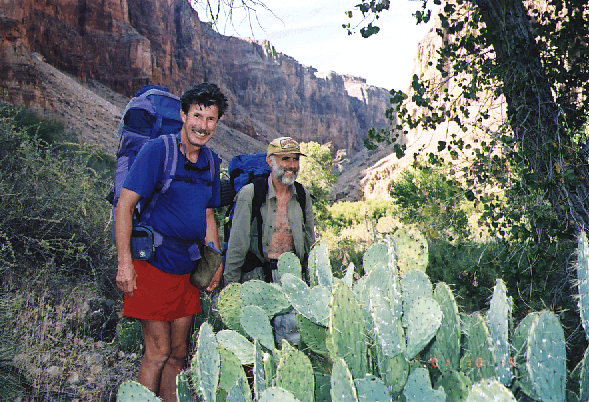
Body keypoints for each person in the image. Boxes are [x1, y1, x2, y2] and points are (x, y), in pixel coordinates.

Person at [115, 82, 227, 401]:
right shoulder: (158, 151)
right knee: (158, 352)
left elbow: (208, 216)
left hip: (188, 268)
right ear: (183, 115)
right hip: (151, 265)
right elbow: (125, 205)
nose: (202, 125)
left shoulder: (211, 162)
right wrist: (125, 263)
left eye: (210, 119)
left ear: (217, 124)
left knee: (178, 353)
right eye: (196, 115)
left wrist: (214, 262)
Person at [224, 136, 315, 344]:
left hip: (293, 278)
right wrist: (232, 290)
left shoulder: (302, 195)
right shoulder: (251, 194)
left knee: (290, 342)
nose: (291, 165)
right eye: (285, 159)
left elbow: (310, 240)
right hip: (258, 278)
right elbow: (237, 244)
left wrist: (312, 281)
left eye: (295, 159)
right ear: (270, 161)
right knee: (259, 342)